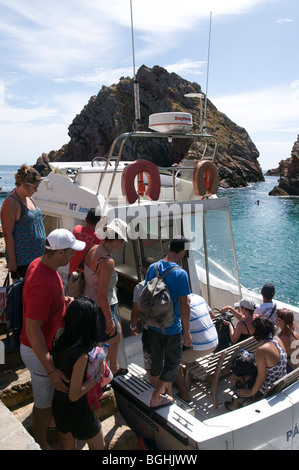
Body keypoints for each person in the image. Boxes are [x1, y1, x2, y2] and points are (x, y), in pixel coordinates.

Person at [19, 228, 86, 449]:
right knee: (43, 401)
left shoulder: (39, 263)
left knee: (46, 397)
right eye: (70, 252)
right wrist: (51, 369)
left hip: (41, 345)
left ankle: (47, 427)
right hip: (37, 350)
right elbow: (33, 330)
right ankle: (40, 441)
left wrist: (61, 303)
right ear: (59, 253)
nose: (72, 256)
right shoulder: (43, 283)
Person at [51, 297, 105, 450]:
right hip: (78, 411)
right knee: (99, 446)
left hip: (59, 404)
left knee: (67, 447)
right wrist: (97, 376)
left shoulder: (59, 335)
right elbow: (74, 395)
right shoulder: (80, 356)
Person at [144, 236, 192, 409]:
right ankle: (157, 396)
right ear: (183, 252)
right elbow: (185, 305)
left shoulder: (152, 267)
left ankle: (161, 393)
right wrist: (186, 332)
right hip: (171, 328)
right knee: (172, 364)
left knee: (157, 362)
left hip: (152, 324)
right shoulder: (180, 274)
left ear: (169, 247)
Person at [83, 218, 128, 376]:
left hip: (89, 299)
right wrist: (109, 319)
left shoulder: (93, 249)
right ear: (116, 241)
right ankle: (101, 375)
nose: (121, 244)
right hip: (101, 305)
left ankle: (114, 367)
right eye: (121, 241)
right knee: (109, 341)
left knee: (118, 332)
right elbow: (102, 294)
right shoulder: (108, 261)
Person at [228, 316, 287, 408]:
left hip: (267, 389)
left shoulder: (261, 350)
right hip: (280, 380)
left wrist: (251, 392)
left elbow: (261, 377)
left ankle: (235, 404)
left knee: (236, 374)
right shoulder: (277, 339)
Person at [1, 164, 46, 280]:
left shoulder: (28, 197)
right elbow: (7, 234)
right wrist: (12, 261)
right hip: (23, 260)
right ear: (25, 185)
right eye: (34, 187)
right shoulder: (11, 202)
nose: (36, 191)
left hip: (37, 257)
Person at [175, 293, 219, 402]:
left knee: (173, 361)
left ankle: (184, 394)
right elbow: (212, 316)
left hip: (203, 347)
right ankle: (188, 377)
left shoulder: (180, 305)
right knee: (187, 351)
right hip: (215, 341)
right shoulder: (198, 297)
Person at [130, 257, 156, 384]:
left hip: (149, 329)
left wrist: (133, 326)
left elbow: (135, 312)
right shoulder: (167, 282)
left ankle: (153, 385)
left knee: (150, 360)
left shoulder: (140, 287)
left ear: (144, 269)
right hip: (166, 328)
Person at [68, 208, 102, 274]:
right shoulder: (99, 239)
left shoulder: (76, 229)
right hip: (87, 277)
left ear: (85, 219)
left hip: (73, 274)